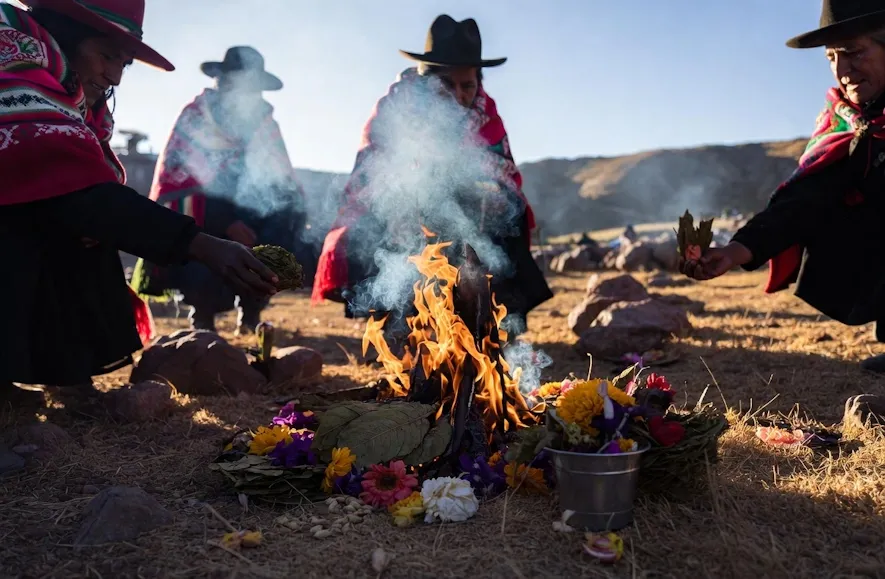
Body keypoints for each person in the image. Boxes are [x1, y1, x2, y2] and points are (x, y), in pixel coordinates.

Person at [0, 0, 278, 395]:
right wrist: (201, 241)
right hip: (197, 212)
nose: (114, 76)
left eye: (125, 63)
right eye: (107, 56)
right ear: (65, 33)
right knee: (67, 213)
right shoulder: (11, 52)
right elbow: (66, 182)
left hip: (204, 219)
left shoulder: (74, 96)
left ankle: (64, 371)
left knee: (88, 226)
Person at [312, 15, 552, 333]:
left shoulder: (487, 113)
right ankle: (401, 324)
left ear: (478, 82)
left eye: (467, 85)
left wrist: (497, 193)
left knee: (511, 213)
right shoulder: (397, 106)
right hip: (401, 213)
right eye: (446, 84)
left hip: (471, 213)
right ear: (427, 79)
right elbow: (370, 174)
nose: (459, 94)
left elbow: (505, 173)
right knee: (386, 219)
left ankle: (488, 322)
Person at [681, 0, 885, 375]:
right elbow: (804, 200)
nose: (841, 70)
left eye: (853, 52)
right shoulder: (851, 124)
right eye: (831, 58)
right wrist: (737, 251)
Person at [131, 46, 309, 335]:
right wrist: (225, 221)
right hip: (205, 213)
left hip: (253, 216)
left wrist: (284, 216)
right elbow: (179, 183)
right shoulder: (196, 118)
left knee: (284, 219)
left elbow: (281, 180)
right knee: (193, 233)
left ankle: (251, 312)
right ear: (224, 82)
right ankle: (201, 316)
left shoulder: (265, 124)